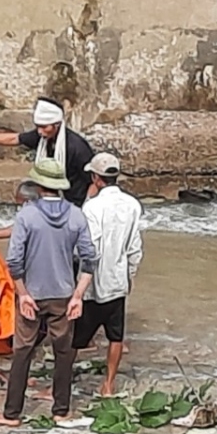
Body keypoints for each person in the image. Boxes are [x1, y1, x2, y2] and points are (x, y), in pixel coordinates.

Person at [0, 158, 97, 428]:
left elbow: (14, 261)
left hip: (32, 294)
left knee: (22, 351)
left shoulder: (27, 215)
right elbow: (90, 259)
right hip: (63, 294)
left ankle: (12, 413)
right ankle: (61, 411)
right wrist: (78, 295)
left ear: (37, 185)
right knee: (64, 352)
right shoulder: (76, 215)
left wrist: (23, 294)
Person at [0, 97, 96, 241]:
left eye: (44, 127)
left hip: (78, 203)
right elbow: (15, 139)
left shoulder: (77, 147)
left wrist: (85, 211)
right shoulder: (43, 137)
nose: (40, 132)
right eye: (38, 127)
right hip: (57, 200)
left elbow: (94, 181)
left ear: (57, 125)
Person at [72, 152, 144, 396]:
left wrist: (79, 288)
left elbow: (87, 246)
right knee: (116, 336)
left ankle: (59, 385)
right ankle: (109, 384)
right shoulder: (133, 205)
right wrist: (130, 276)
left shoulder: (93, 207)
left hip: (93, 284)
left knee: (73, 339)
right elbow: (135, 247)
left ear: (96, 178)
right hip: (117, 281)